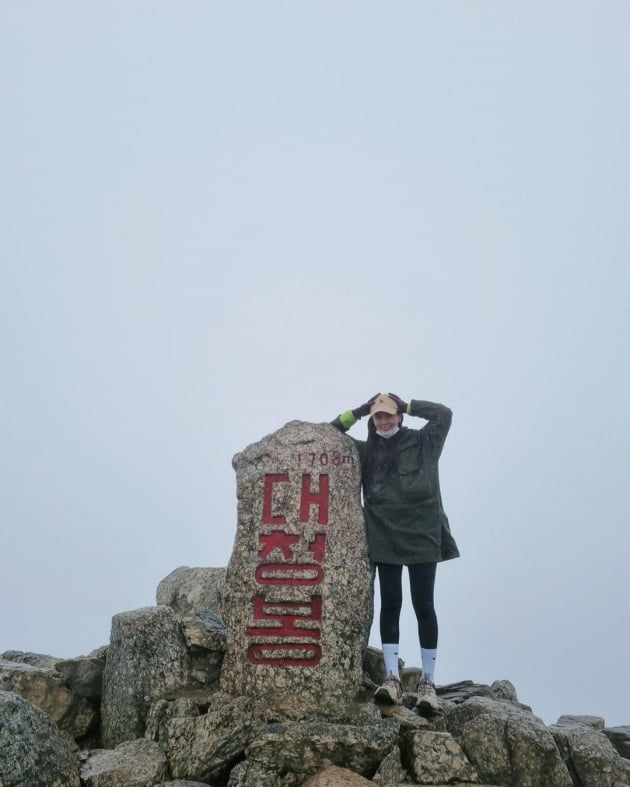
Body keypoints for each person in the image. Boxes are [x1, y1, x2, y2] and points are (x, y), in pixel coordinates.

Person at [331, 392, 459, 712]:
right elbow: (331, 433)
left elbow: (443, 413)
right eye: (378, 417)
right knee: (391, 603)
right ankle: (392, 678)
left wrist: (411, 405)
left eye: (389, 415)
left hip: (423, 534)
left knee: (423, 605)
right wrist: (359, 410)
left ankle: (428, 682)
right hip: (384, 536)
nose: (384, 421)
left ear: (399, 416)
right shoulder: (366, 451)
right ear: (373, 421)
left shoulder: (424, 441)